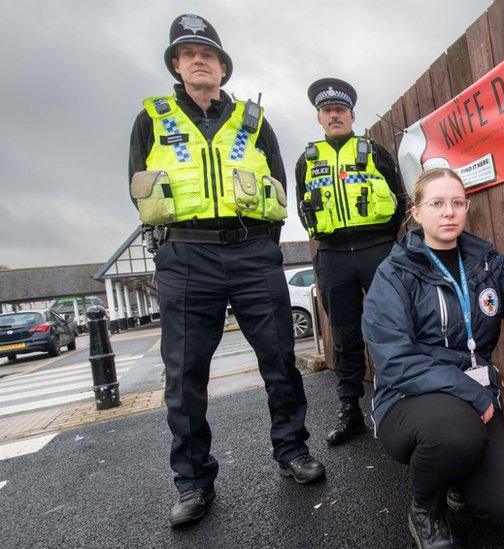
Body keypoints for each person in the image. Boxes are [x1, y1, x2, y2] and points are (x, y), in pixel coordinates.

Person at [128, 14, 325, 528]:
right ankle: (193, 482)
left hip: (251, 252)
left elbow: (279, 192)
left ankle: (292, 450)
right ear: (176, 64)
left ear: (222, 67)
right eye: (188, 52)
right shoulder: (151, 118)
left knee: (281, 357)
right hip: (185, 256)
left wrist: (262, 245)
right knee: (185, 375)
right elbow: (139, 187)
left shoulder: (254, 121)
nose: (199, 59)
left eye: (208, 53)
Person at [362, 168, 504, 548]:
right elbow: (394, 361)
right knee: (454, 432)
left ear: (467, 208)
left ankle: (458, 473)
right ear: (417, 212)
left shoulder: (483, 261)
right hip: (409, 400)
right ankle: (425, 510)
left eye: (457, 203)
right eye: (437, 203)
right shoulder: (394, 273)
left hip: (472, 400)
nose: (449, 212)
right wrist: (475, 394)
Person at [296, 78, 406, 445]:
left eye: (340, 110)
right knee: (344, 335)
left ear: (352, 115)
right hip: (332, 256)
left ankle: (399, 403)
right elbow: (302, 207)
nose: (334, 116)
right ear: (319, 118)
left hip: (377, 249)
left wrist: (384, 240)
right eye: (328, 111)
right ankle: (350, 409)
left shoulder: (374, 151)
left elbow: (400, 198)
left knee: (392, 325)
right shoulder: (306, 161)